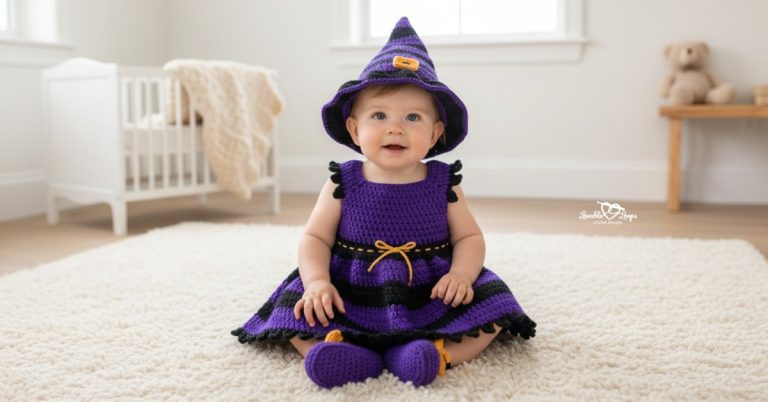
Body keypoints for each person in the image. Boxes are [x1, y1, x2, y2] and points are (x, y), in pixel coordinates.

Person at [232, 16, 536, 389]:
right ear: (355, 129)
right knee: (295, 306)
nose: (395, 127)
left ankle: (436, 353)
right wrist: (317, 282)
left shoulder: (445, 182)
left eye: (413, 117)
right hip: (352, 286)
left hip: (427, 288)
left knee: (495, 302)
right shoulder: (343, 180)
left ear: (435, 133)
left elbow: (469, 237)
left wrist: (460, 275)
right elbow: (315, 238)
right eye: (379, 115)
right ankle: (337, 351)